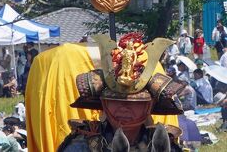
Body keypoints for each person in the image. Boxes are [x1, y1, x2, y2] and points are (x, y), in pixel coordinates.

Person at [57, 34, 185, 151]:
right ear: (104, 104)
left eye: (134, 103)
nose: (124, 109)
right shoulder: (81, 145)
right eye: (115, 102)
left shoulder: (163, 143)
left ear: (149, 105)